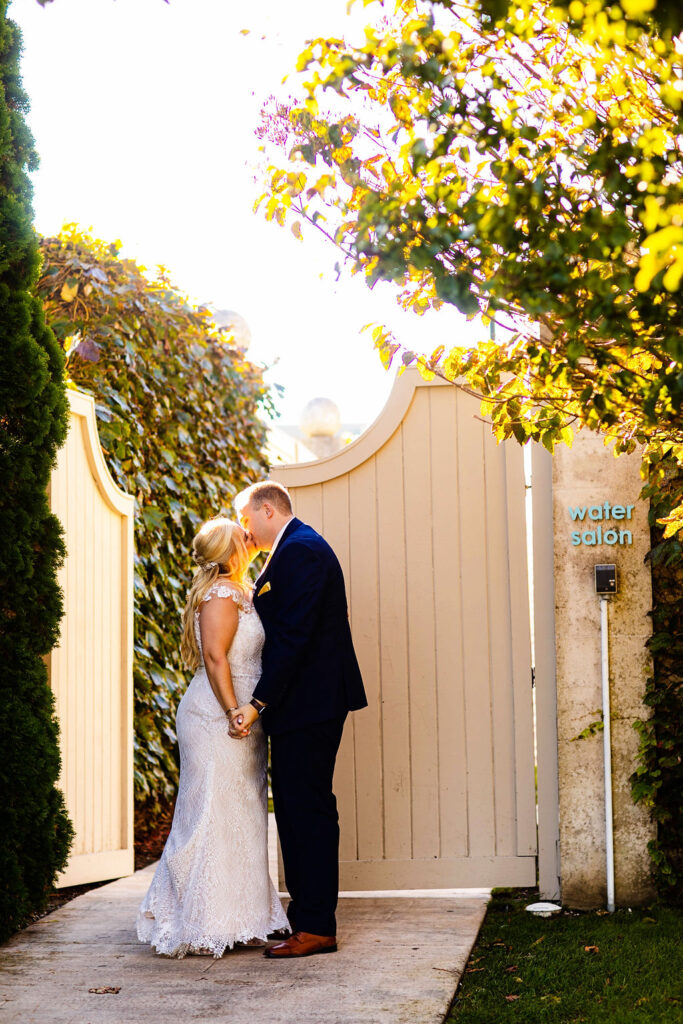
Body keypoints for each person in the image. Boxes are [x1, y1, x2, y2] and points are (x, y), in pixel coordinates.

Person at [137, 517, 289, 958]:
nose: (249, 537)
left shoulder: (244, 589)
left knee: (242, 813)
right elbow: (214, 656)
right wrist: (232, 713)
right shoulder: (222, 592)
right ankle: (202, 919)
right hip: (216, 716)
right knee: (209, 810)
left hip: (244, 717)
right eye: (241, 536)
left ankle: (242, 918)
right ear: (229, 550)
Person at [232, 481, 367, 959]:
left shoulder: (302, 550)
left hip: (310, 703)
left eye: (247, 518)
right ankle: (305, 916)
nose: (245, 529)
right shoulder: (291, 548)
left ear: (266, 509)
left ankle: (316, 926)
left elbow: (293, 639)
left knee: (305, 810)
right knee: (294, 808)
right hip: (304, 702)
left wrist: (259, 702)